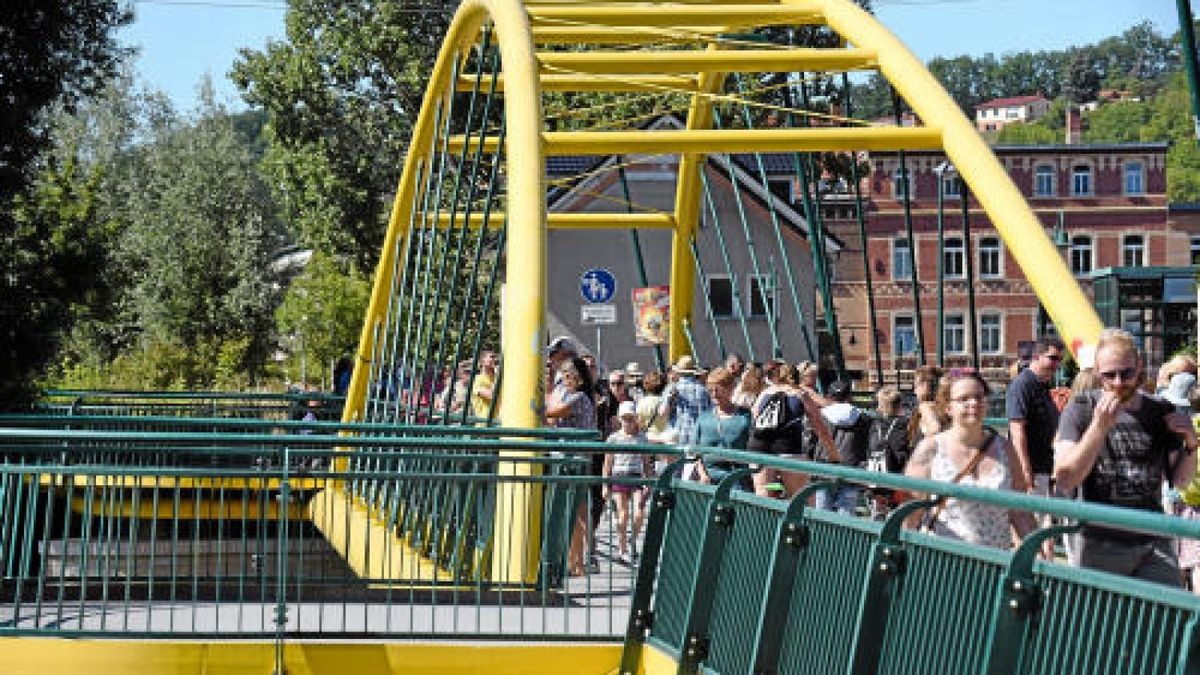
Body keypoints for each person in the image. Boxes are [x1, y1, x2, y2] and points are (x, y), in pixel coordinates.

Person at [1054, 328, 1198, 586]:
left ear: (1139, 366)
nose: (1119, 382)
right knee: (1106, 623)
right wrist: (1099, 427)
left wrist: (1191, 443)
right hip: (1100, 543)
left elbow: (1180, 480)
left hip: (1153, 541)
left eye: (1127, 373)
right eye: (1109, 375)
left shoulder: (1159, 410)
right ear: (1098, 373)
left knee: (1167, 617)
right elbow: (1065, 478)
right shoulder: (1081, 409)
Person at [905, 370, 1037, 548]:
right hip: (943, 561)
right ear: (948, 408)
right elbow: (911, 511)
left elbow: (1020, 512)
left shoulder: (1005, 449)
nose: (973, 403)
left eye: (979, 397)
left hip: (993, 562)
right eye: (964, 399)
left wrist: (1035, 553)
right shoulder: (930, 449)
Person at [545, 357, 598, 576]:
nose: (564, 382)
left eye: (567, 377)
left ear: (577, 378)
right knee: (579, 512)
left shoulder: (577, 398)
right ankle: (576, 560)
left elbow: (550, 413)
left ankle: (576, 561)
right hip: (575, 459)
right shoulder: (580, 397)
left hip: (572, 460)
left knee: (574, 513)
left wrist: (548, 394)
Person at [603, 401, 654, 565]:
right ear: (619, 419)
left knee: (640, 513)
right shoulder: (614, 438)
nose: (628, 422)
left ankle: (631, 541)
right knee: (622, 514)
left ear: (636, 418)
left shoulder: (641, 438)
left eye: (631, 418)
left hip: (636, 476)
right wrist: (605, 484)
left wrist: (649, 482)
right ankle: (622, 548)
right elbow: (607, 463)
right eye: (625, 418)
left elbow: (647, 462)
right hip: (619, 475)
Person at [690, 367, 752, 486]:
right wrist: (703, 475)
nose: (714, 394)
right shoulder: (704, 418)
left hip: (738, 479)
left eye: (718, 390)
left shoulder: (745, 416)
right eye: (711, 390)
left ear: (730, 389)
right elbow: (695, 452)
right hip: (709, 480)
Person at [817, 380, 869, 515]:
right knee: (846, 514)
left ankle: (820, 536)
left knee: (821, 513)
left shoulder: (820, 416)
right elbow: (865, 445)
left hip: (823, 467)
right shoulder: (862, 417)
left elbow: (810, 443)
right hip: (851, 467)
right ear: (849, 397)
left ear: (829, 396)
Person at [866, 386, 911, 519]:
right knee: (897, 517)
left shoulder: (875, 425)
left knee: (878, 514)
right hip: (898, 477)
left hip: (877, 476)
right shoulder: (905, 424)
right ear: (899, 405)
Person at [659, 355, 712, 447]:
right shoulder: (703, 390)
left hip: (676, 436)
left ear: (679, 372)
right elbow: (707, 415)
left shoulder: (672, 389)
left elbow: (662, 413)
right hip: (697, 437)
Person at [908, 365, 947, 447]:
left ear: (925, 386)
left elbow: (936, 429)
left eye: (916, 385)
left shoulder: (925, 407)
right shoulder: (943, 407)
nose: (914, 390)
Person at [468, 350, 499, 421]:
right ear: (482, 361)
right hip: (484, 423)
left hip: (498, 421)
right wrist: (498, 376)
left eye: (495, 357)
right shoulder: (477, 380)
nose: (494, 359)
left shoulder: (495, 378)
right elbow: (491, 396)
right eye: (491, 357)